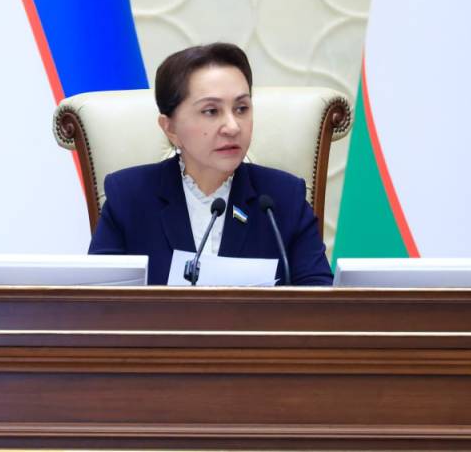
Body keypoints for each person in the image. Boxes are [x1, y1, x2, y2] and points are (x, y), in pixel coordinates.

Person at [89, 43, 334, 286]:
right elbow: (97, 300)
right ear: (170, 128)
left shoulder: (282, 198)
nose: (233, 127)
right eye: (211, 111)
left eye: (241, 108)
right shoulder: (129, 197)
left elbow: (320, 299)